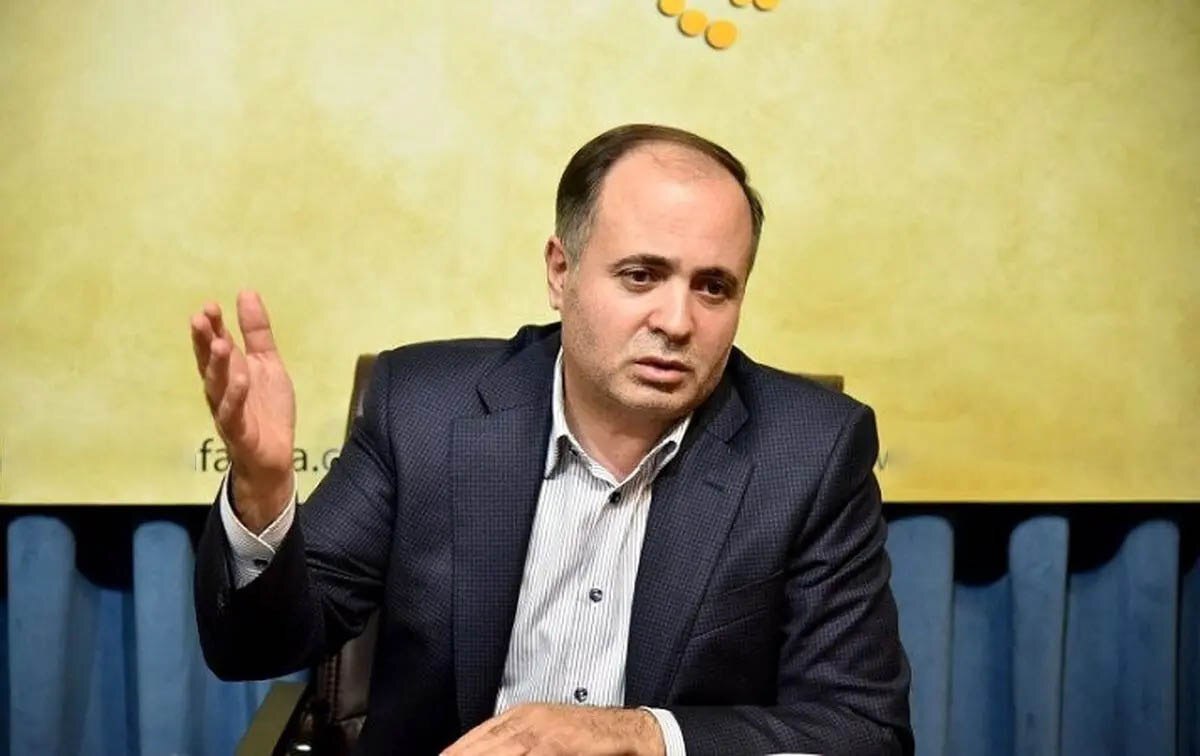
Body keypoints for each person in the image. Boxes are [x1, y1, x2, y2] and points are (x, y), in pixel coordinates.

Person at [190, 124, 912, 755]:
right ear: (560, 272)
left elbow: (862, 730)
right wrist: (262, 492)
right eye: (641, 275)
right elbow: (255, 647)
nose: (677, 321)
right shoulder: (425, 410)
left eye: (714, 287)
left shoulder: (809, 452)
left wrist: (638, 736)